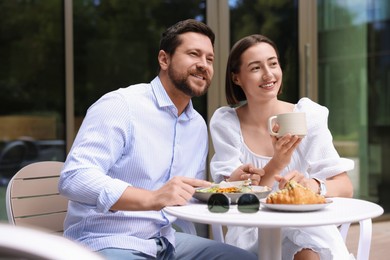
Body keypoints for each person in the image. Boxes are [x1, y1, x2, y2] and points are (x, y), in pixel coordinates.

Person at [58, 19, 256, 260]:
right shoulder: (121, 105)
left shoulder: (196, 125)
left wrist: (224, 187)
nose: (203, 65)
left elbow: (182, 194)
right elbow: (74, 178)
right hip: (106, 241)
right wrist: (152, 198)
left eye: (210, 59)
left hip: (165, 240)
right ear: (164, 59)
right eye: (194, 54)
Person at [209, 34, 355, 260]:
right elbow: (233, 202)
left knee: (307, 243)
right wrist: (277, 164)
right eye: (256, 67)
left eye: (273, 63)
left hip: (307, 226)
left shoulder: (309, 116)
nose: (268, 74)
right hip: (252, 229)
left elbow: (345, 187)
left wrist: (312, 186)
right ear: (236, 78)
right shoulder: (226, 123)